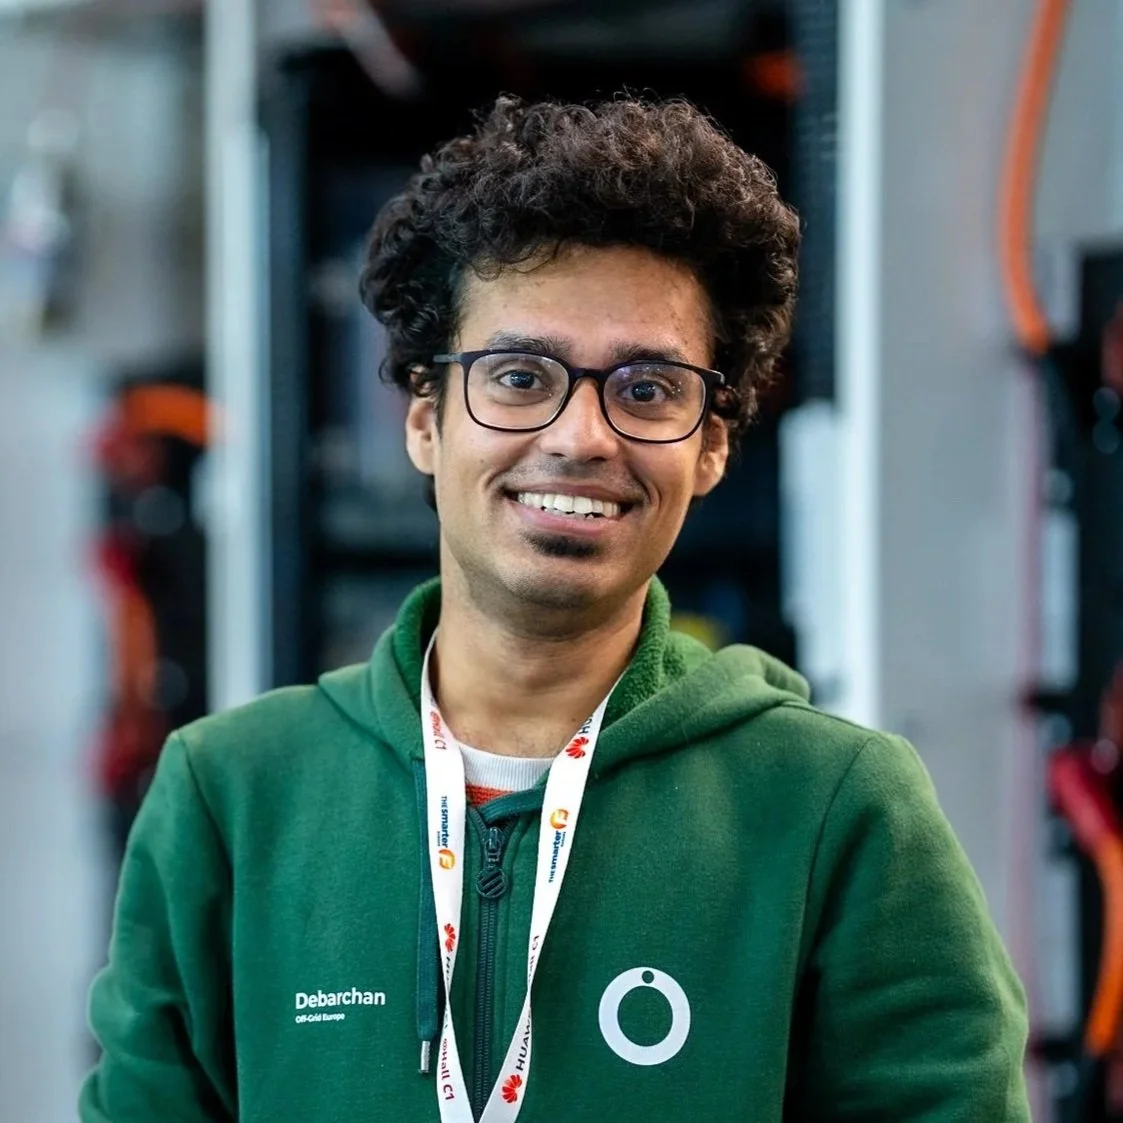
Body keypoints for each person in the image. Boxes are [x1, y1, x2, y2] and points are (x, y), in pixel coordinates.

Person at [80, 95, 1030, 1122]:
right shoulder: (231, 797)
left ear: (710, 446)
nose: (581, 435)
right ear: (424, 421)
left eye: (648, 388)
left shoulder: (835, 809)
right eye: (520, 376)